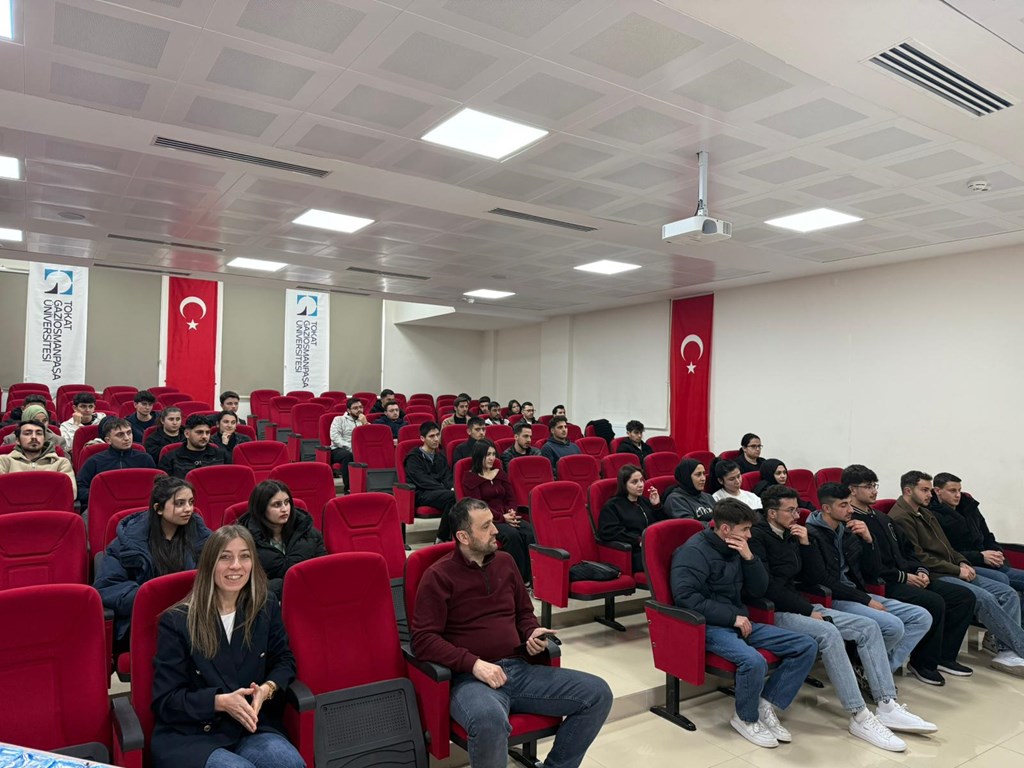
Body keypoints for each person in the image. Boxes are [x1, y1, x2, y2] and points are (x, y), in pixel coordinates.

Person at [412, 498, 612, 768]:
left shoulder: (506, 562)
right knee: (488, 720)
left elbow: (524, 613)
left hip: (519, 670)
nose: (496, 530)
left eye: (493, 523)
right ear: (463, 537)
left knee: (598, 694)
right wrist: (474, 664)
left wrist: (531, 632)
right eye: (486, 526)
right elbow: (423, 640)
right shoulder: (438, 576)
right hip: (470, 680)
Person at [751, 486, 934, 750]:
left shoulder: (793, 534)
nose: (797, 515)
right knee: (830, 633)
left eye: (796, 509)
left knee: (869, 627)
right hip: (774, 611)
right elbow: (768, 587)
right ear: (771, 513)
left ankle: (886, 703)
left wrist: (805, 545)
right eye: (790, 510)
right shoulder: (757, 537)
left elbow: (811, 576)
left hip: (802, 603)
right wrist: (807, 610)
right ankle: (859, 715)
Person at [150, 525, 303, 768]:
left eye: (245, 556)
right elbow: (166, 700)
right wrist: (220, 702)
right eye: (225, 557)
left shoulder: (265, 606)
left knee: (289, 763)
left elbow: (284, 660)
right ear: (209, 564)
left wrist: (267, 689)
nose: (236, 566)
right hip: (193, 734)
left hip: (250, 726)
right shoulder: (177, 621)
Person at [671, 498, 818, 748]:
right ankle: (746, 718)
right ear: (725, 529)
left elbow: (759, 590)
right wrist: (732, 617)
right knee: (754, 660)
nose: (750, 535)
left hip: (741, 621)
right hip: (708, 626)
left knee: (806, 645)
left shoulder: (738, 548)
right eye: (745, 529)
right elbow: (686, 598)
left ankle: (765, 704)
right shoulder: (693, 552)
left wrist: (750, 559)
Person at [844, 464, 975, 685]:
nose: (874, 490)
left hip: (907, 575)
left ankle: (944, 657)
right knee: (934, 602)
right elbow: (868, 567)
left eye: (875, 485)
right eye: (868, 486)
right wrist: (905, 577)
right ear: (852, 490)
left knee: (963, 596)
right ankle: (923, 663)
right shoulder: (853, 523)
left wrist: (920, 570)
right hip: (883, 582)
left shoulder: (882, 518)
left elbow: (908, 551)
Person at [889, 470, 1024, 676]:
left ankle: (1006, 650)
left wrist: (962, 562)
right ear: (908, 491)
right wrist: (957, 570)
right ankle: (1020, 647)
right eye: (925, 490)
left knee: (1007, 592)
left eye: (929, 490)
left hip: (951, 567)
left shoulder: (924, 512)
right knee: (984, 598)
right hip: (934, 573)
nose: (929, 495)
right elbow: (919, 558)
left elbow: (948, 548)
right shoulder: (900, 517)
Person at [805, 483, 932, 674]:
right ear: (826, 508)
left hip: (858, 592)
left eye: (850, 504)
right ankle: (873, 670)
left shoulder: (848, 530)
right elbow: (825, 581)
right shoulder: (811, 535)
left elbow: (872, 572)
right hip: (835, 598)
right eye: (843, 505)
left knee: (921, 617)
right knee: (893, 626)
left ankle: (875, 670)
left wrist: (869, 540)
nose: (850, 510)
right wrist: (866, 600)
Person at [95, 476, 211, 654]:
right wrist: (153, 598)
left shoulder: (201, 537)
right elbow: (108, 586)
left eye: (191, 502)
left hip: (194, 616)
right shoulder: (129, 543)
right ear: (158, 509)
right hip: (147, 619)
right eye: (179, 503)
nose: (188, 509)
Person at [929, 472, 1024, 593]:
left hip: (987, 559)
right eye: (952, 491)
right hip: (966, 562)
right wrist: (980, 557)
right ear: (937, 491)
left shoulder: (969, 506)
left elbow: (987, 535)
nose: (958, 495)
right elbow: (946, 551)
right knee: (1002, 579)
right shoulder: (932, 514)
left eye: (959, 490)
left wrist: (997, 552)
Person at [460, 440, 534, 583]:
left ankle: (534, 577)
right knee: (512, 536)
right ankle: (520, 579)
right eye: (488, 455)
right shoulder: (470, 478)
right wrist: (502, 517)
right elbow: (479, 505)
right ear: (479, 456)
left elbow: (511, 497)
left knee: (530, 532)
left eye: (494, 454)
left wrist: (511, 512)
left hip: (509, 516)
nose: (492, 458)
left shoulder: (499, 473)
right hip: (488, 520)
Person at [239, 480, 326, 599]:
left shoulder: (309, 533)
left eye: (287, 502)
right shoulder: (243, 539)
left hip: (309, 597)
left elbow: (323, 570)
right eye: (277, 505)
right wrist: (284, 586)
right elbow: (245, 583)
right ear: (261, 508)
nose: (284, 509)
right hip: (264, 601)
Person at [77, 417, 156, 507]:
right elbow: (80, 488)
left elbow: (157, 486)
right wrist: (103, 496)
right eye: (120, 435)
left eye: (129, 433)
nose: (127, 438)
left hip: (139, 506)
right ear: (108, 440)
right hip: (105, 506)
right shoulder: (94, 461)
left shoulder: (145, 459)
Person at [597, 464, 662, 573]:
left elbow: (661, 525)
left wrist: (657, 506)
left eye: (641, 480)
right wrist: (638, 540)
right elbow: (609, 531)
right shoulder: (613, 506)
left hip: (653, 547)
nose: (640, 485)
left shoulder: (645, 501)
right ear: (624, 485)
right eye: (634, 482)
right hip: (634, 553)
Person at [404, 421, 456, 542]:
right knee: (453, 497)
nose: (436, 439)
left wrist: (452, 487)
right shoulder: (413, 457)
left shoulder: (440, 456)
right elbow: (422, 480)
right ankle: (442, 537)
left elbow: (447, 476)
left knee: (458, 495)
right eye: (431, 436)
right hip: (422, 493)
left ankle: (452, 537)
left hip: (439, 492)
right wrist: (445, 489)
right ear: (422, 438)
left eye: (437, 435)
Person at [0, 418, 76, 494]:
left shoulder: (61, 463)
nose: (34, 437)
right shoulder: (4, 461)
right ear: (17, 440)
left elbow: (70, 492)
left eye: (39, 434)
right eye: (27, 433)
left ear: (44, 439)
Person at [159, 414, 228, 479]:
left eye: (207, 432)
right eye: (199, 432)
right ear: (187, 434)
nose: (204, 436)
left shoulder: (221, 455)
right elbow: (164, 485)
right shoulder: (170, 458)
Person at [328, 397, 366, 488]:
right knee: (347, 455)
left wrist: (365, 423)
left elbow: (370, 437)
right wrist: (351, 447)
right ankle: (349, 488)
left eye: (360, 407)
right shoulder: (339, 419)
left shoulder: (363, 421)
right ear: (348, 410)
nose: (359, 410)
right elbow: (335, 438)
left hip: (358, 449)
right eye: (355, 408)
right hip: (338, 449)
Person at [1, 402, 67, 450]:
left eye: (44, 421)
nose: (42, 424)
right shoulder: (10, 440)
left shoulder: (58, 441)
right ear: (26, 420)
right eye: (36, 421)